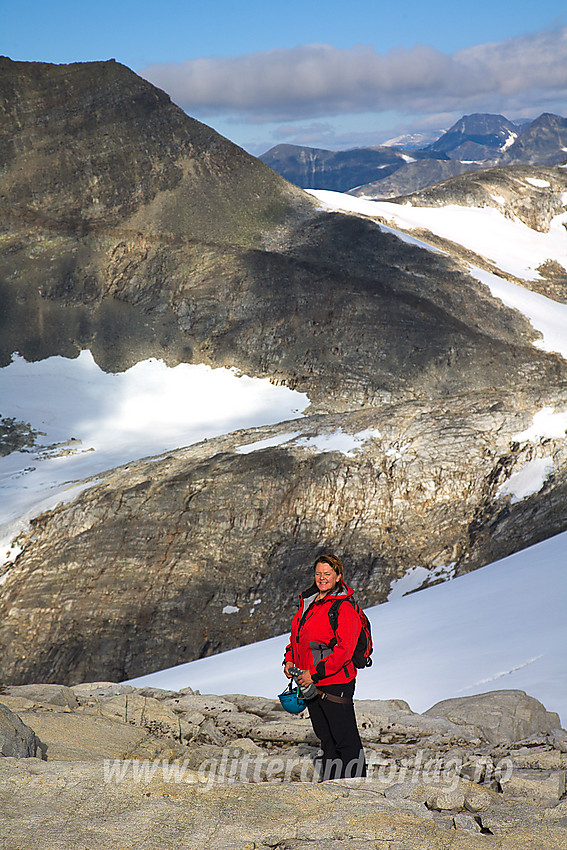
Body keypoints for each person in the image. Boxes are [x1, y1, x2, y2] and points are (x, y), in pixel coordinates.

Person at [283, 554, 367, 780]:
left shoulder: (343, 607)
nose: (322, 578)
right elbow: (298, 637)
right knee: (326, 738)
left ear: (338, 576)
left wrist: (314, 674)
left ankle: (358, 789)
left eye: (327, 574)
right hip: (308, 679)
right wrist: (289, 659)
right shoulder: (309, 602)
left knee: (344, 737)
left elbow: (344, 650)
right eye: (318, 573)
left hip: (335, 681)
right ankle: (332, 786)